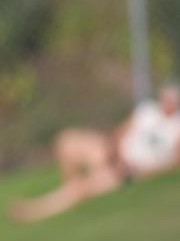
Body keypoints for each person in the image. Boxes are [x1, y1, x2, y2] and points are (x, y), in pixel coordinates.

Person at [11, 84, 180, 222]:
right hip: (111, 152)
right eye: (165, 98)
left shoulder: (176, 128)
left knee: (80, 189)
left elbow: (171, 163)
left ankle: (34, 211)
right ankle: (69, 185)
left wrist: (136, 170)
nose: (166, 102)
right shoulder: (148, 111)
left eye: (171, 99)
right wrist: (114, 154)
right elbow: (119, 133)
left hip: (128, 170)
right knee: (66, 141)